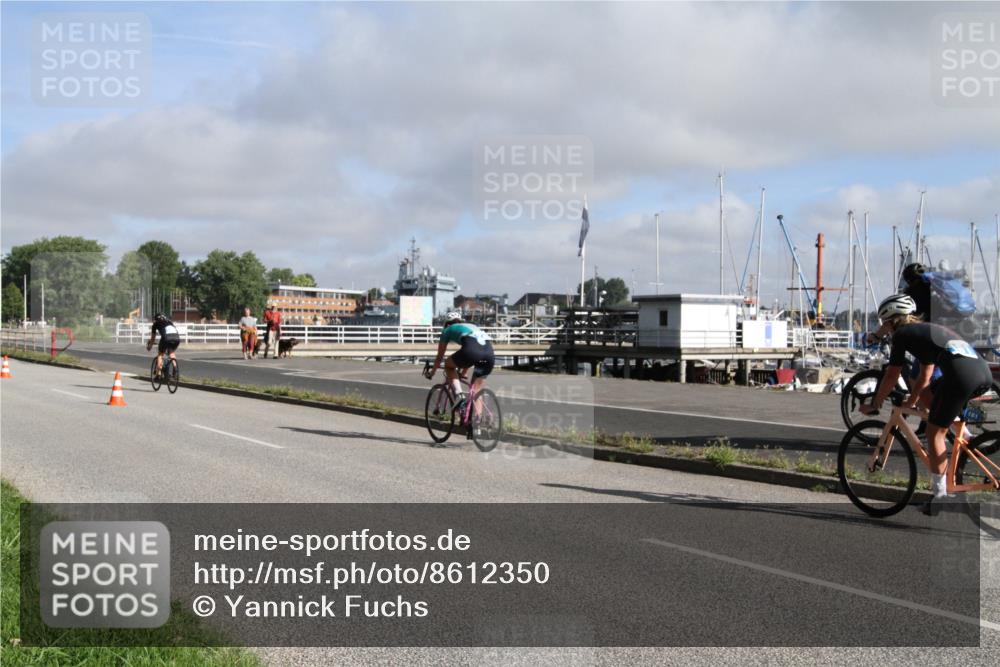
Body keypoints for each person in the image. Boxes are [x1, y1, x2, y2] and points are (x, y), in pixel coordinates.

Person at [861, 294, 993, 513]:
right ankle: (967, 439)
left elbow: (892, 374)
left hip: (962, 377)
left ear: (891, 321)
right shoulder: (926, 331)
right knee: (927, 395)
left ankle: (941, 495)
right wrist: (911, 403)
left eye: (885, 324)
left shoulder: (902, 335)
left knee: (934, 433)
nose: (884, 329)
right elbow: (923, 380)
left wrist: (875, 404)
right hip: (983, 374)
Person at [423, 311, 495, 418]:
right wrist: (463, 372)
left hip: (472, 351)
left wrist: (431, 373)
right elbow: (472, 353)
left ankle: (460, 395)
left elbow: (439, 357)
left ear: (447, 323)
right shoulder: (471, 326)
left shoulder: (447, 330)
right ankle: (478, 421)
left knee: (448, 365)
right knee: (476, 390)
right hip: (489, 353)